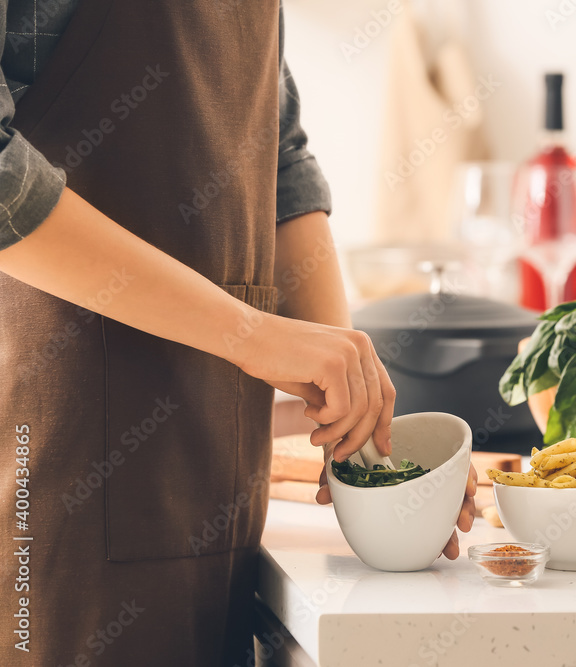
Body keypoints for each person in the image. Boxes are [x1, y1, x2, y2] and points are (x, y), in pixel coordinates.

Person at [0, 1, 476, 665]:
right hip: (58, 480)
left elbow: (280, 160)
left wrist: (362, 423)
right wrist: (251, 333)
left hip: (218, 491)